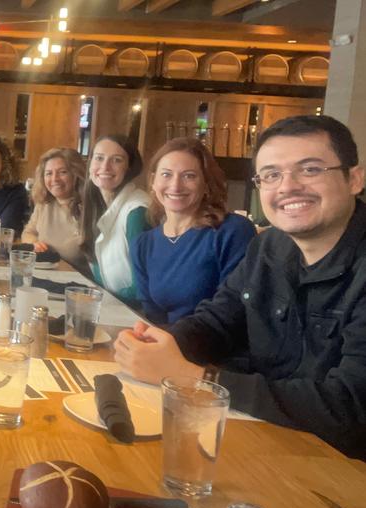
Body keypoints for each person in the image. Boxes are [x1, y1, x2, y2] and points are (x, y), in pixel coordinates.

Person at [114, 115, 366, 460]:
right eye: (272, 175)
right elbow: (219, 319)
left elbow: (350, 408)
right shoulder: (270, 247)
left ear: (354, 178)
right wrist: (165, 344)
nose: (288, 186)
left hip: (340, 470)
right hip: (268, 440)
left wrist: (197, 377)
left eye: (310, 170)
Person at [131, 137, 256, 324]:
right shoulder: (143, 244)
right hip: (165, 345)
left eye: (189, 175)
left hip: (217, 349)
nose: (175, 185)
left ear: (206, 184)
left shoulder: (232, 231)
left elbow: (233, 312)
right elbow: (152, 316)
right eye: (166, 174)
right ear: (153, 181)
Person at [80, 135, 150, 305]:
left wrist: (96, 301)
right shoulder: (97, 206)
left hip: (135, 315)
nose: (105, 166)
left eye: (117, 160)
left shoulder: (136, 212)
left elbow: (141, 287)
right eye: (99, 158)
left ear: (129, 168)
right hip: (111, 307)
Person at [22, 147, 89, 271]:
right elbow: (28, 232)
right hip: (45, 273)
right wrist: (35, 242)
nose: (55, 179)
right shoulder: (44, 204)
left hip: (77, 279)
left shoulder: (89, 208)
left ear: (76, 174)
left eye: (62, 172)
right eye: (49, 173)